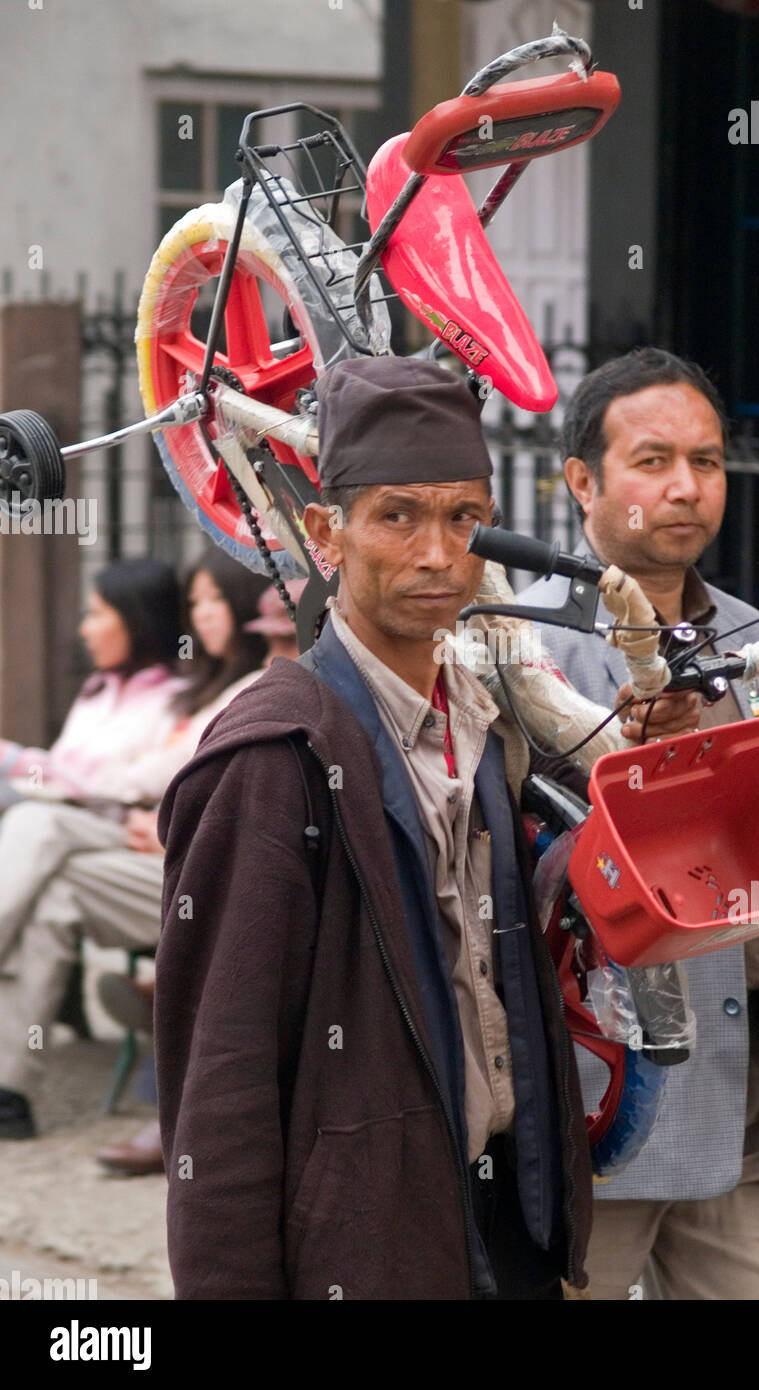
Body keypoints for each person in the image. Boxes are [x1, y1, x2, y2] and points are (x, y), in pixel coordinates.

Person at [155, 357, 592, 1299]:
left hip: (504, 1223)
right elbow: (221, 1084)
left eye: (463, 518)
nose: (438, 553)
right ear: (326, 534)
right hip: (364, 1245)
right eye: (398, 516)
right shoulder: (274, 760)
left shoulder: (479, 724)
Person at [518, 347, 759, 1300]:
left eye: (705, 462)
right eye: (654, 460)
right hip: (603, 1095)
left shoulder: (758, 641)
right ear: (583, 480)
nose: (686, 487)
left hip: (749, 1100)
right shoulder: (517, 644)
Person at [0, 549, 269, 1141]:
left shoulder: (233, 688)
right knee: (48, 893)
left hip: (167, 859)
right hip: (124, 842)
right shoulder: (184, 687)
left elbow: (147, 777)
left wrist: (30, 770)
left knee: (37, 829)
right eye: (194, 603)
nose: (200, 617)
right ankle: (9, 1093)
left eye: (214, 602)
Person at [93, 575, 307, 1175]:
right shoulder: (249, 688)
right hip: (207, 853)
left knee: (218, 921)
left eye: (289, 640)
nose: (277, 655)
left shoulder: (315, 697)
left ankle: (167, 1015)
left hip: (275, 870)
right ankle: (172, 1108)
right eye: (271, 641)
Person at [0, 558, 184, 812]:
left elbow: (125, 785)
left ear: (137, 620)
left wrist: (17, 761)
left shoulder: (179, 699)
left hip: (106, 820)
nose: (85, 630)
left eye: (96, 614)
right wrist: (11, 760)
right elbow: (61, 767)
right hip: (57, 810)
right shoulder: (98, 688)